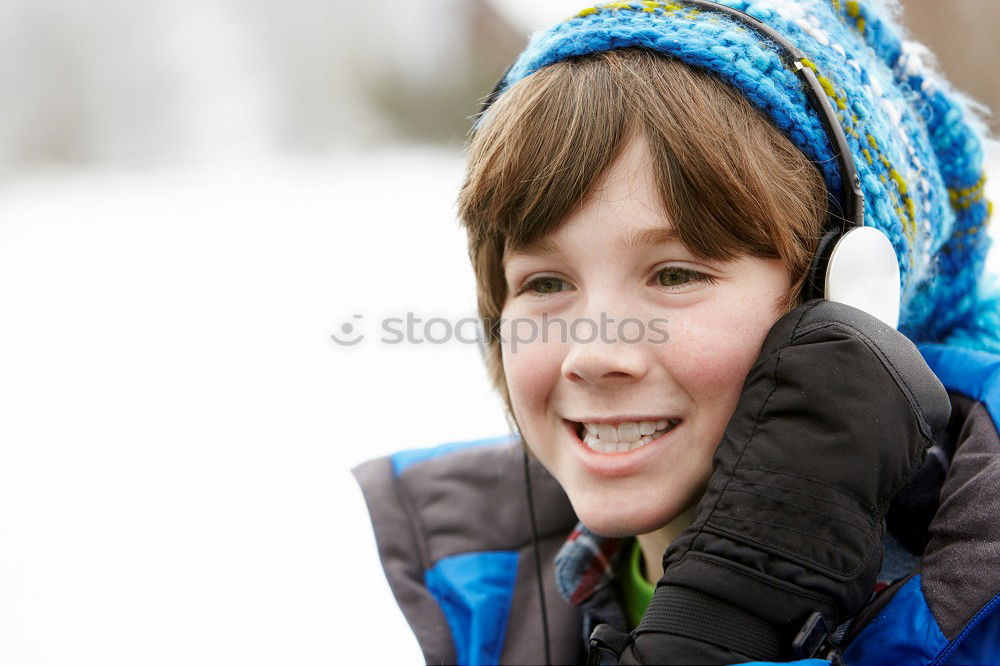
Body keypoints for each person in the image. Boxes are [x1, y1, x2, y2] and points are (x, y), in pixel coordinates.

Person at [353, 1, 1000, 663]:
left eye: (673, 276)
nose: (594, 354)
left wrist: (738, 616)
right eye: (546, 284)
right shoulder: (472, 591)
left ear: (852, 300)